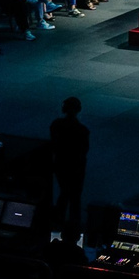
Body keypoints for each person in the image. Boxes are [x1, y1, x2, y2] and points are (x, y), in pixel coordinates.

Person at [49, 95, 90, 237]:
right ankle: (74, 222)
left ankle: (59, 219)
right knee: (75, 195)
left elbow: (54, 145)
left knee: (64, 191)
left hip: (61, 163)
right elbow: (84, 149)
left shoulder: (56, 124)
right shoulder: (82, 130)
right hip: (77, 165)